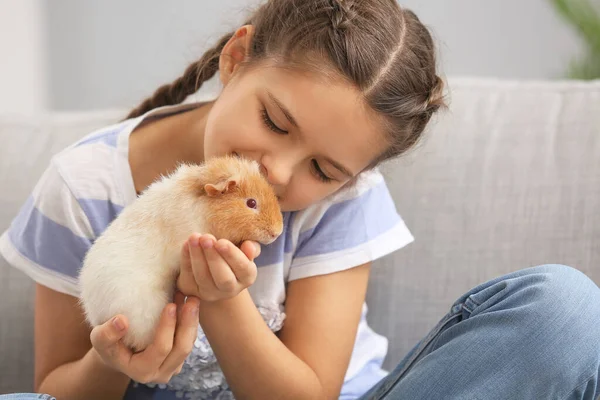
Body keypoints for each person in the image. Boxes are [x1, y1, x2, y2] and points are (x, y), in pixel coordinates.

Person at [1, 0, 599, 399]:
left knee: (564, 311)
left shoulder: (341, 202)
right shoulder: (86, 183)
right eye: (274, 121)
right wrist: (110, 362)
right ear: (235, 61)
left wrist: (224, 302)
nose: (279, 173)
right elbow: (53, 385)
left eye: (322, 169)